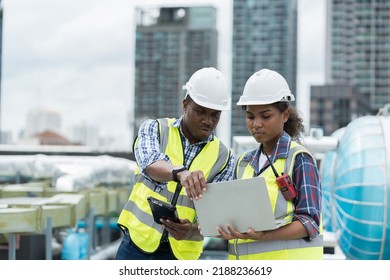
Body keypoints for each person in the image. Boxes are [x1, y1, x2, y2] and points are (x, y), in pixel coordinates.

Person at [115, 67, 235, 260]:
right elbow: (150, 162)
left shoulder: (225, 158)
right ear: (185, 104)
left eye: (215, 114)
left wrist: (192, 231)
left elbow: (218, 218)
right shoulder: (156, 129)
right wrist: (181, 173)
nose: (208, 120)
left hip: (181, 254)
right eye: (200, 111)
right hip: (137, 245)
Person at [217, 69, 323, 260]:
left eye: (265, 116)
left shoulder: (299, 159)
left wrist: (265, 236)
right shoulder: (243, 162)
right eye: (250, 116)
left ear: (284, 115)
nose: (256, 124)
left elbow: (310, 222)